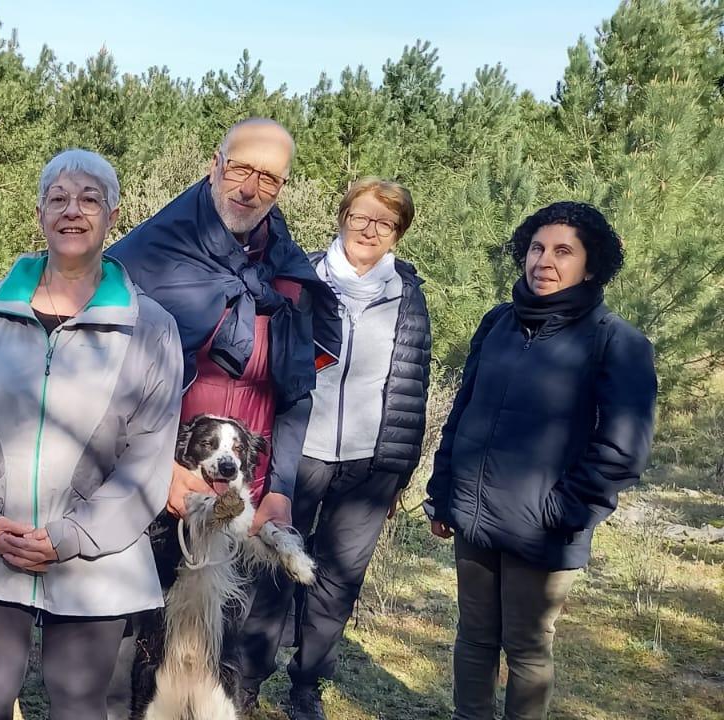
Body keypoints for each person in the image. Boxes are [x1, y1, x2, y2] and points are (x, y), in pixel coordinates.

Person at [0, 149, 183, 720]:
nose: (73, 211)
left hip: (97, 554)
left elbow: (148, 459)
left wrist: (72, 535)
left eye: (89, 198)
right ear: (40, 212)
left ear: (112, 214)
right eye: (59, 198)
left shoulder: (152, 330)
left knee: (78, 703)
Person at [105, 117, 341, 718]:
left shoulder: (285, 272)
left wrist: (280, 487)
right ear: (214, 164)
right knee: (139, 638)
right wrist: (157, 469)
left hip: (248, 480)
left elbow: (297, 390)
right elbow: (102, 378)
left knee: (231, 640)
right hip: (160, 476)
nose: (250, 187)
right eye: (240, 168)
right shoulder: (151, 254)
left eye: (269, 177)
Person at [424, 201, 656, 720]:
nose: (543, 261)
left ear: (590, 265)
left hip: (544, 528)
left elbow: (623, 451)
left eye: (562, 251)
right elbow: (464, 410)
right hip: (474, 517)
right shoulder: (499, 323)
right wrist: (443, 493)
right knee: (475, 638)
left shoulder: (616, 342)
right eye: (535, 248)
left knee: (527, 649)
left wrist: (562, 515)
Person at [231, 178, 432, 719]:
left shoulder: (407, 295)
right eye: (361, 217)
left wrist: (400, 470)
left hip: (370, 464)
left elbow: (413, 383)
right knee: (272, 570)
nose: (370, 230)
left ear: (398, 234)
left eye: (385, 223)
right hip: (299, 456)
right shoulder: (302, 278)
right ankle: (247, 681)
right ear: (342, 217)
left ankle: (307, 687)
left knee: (338, 583)